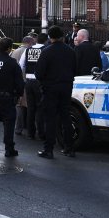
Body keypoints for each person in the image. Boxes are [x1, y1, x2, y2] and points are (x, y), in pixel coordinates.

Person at [33, 25, 77, 158]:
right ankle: (69, 148)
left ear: (50, 37)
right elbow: (75, 69)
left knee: (50, 119)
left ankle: (49, 149)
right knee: (66, 117)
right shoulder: (70, 51)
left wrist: (44, 82)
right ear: (62, 36)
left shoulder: (46, 51)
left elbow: (39, 73)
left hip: (50, 88)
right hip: (66, 87)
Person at [19, 33, 46, 139]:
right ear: (45, 41)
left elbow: (21, 65)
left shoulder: (28, 50)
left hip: (28, 81)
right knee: (40, 108)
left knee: (30, 108)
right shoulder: (45, 50)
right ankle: (41, 133)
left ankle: (31, 133)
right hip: (40, 82)